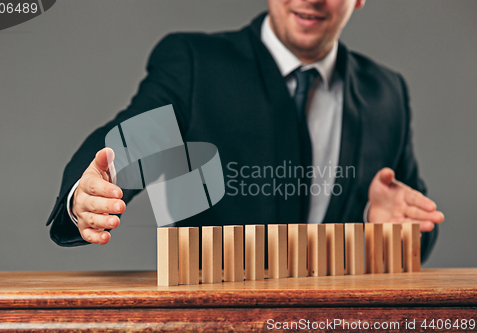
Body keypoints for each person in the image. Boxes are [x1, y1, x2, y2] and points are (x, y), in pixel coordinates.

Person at [47, 0, 444, 263]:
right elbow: (134, 144)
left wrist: (383, 227)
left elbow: (415, 218)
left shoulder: (387, 93)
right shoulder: (196, 67)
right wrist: (87, 192)